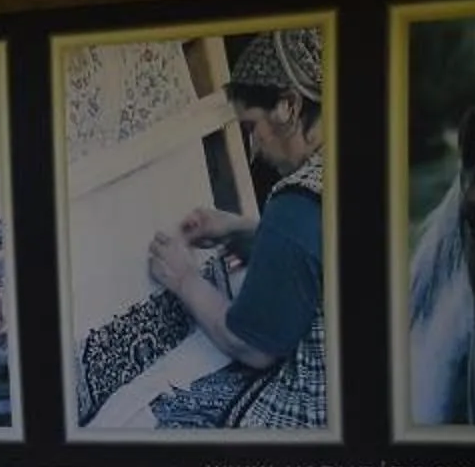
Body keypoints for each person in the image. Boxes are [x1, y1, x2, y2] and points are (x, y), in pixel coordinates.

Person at [78, 28, 330, 432]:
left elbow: (251, 346)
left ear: (288, 106)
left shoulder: (296, 203)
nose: (255, 149)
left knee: (126, 425)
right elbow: (319, 253)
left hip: (312, 416)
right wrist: (245, 231)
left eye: (252, 127)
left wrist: (183, 278)